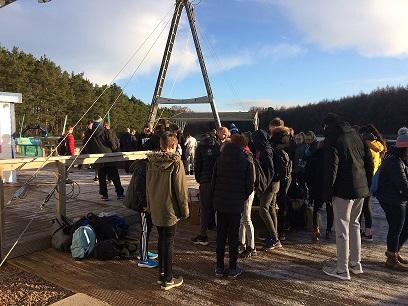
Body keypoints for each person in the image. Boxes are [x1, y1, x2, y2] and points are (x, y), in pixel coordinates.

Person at [321, 113, 373, 280]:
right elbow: (369, 162)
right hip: (361, 188)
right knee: (355, 225)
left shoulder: (333, 138)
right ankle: (355, 264)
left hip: (342, 190)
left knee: (341, 228)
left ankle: (342, 270)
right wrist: (367, 184)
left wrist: (327, 193)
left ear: (327, 126)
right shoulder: (356, 135)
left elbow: (331, 168)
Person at [146, 132, 189, 290]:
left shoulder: (151, 161)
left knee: (161, 239)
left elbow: (148, 186)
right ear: (173, 145)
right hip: (170, 208)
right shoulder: (176, 162)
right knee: (169, 242)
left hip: (156, 207)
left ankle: (162, 275)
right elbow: (181, 190)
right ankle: (169, 279)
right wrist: (185, 211)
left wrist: (150, 206)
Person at [212, 142, 254, 278]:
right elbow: (249, 187)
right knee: (233, 236)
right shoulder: (246, 163)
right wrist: (241, 196)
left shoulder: (219, 161)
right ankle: (232, 267)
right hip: (235, 205)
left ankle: (219, 266)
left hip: (220, 203)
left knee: (220, 236)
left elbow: (213, 182)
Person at [377, 127, 408, 271]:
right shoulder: (394, 162)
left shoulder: (397, 158)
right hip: (393, 200)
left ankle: (394, 252)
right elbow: (403, 185)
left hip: (394, 198)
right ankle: (391, 259)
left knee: (401, 227)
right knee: (396, 228)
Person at [124, 157, 158, 269]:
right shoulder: (144, 168)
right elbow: (140, 187)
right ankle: (143, 257)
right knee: (145, 229)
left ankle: (144, 251)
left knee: (147, 228)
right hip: (141, 205)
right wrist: (144, 205)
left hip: (143, 202)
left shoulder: (144, 166)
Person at [252, 129, 281, 251]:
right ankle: (273, 235)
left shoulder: (265, 150)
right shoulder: (266, 148)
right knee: (271, 209)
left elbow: (270, 170)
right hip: (274, 183)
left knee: (263, 210)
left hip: (269, 184)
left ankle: (275, 239)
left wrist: (264, 186)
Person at [86, 115, 125, 201]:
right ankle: (119, 193)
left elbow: (86, 145)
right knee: (114, 176)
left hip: (97, 159)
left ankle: (104, 195)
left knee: (101, 177)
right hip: (109, 156)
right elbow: (112, 143)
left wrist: (90, 157)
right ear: (101, 122)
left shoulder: (89, 133)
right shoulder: (106, 132)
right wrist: (116, 151)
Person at [359, 124, 387, 241]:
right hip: (373, 179)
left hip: (364, 178)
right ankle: (368, 231)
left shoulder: (366, 146)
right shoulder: (380, 146)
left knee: (361, 206)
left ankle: (357, 229)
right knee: (366, 206)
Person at [230, 134, 257, 258]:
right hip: (241, 191)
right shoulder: (243, 155)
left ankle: (252, 247)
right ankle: (242, 243)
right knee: (242, 219)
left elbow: (251, 179)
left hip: (246, 192)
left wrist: (246, 193)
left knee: (246, 218)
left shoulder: (247, 156)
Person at [191, 133, 220, 245]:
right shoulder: (217, 146)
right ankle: (220, 235)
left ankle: (203, 235)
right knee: (218, 209)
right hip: (217, 181)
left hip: (205, 181)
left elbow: (197, 166)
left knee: (204, 209)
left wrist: (199, 179)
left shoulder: (200, 148)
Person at [306, 140, 334, 242]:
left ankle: (316, 228)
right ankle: (328, 230)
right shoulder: (332, 158)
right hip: (328, 186)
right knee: (329, 208)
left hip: (316, 186)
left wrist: (310, 185)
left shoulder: (313, 156)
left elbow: (308, 172)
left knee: (316, 209)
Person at [270, 126, 292, 241]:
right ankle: (281, 230)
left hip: (279, 178)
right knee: (283, 204)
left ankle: (276, 232)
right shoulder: (289, 143)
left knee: (276, 204)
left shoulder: (276, 144)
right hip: (287, 177)